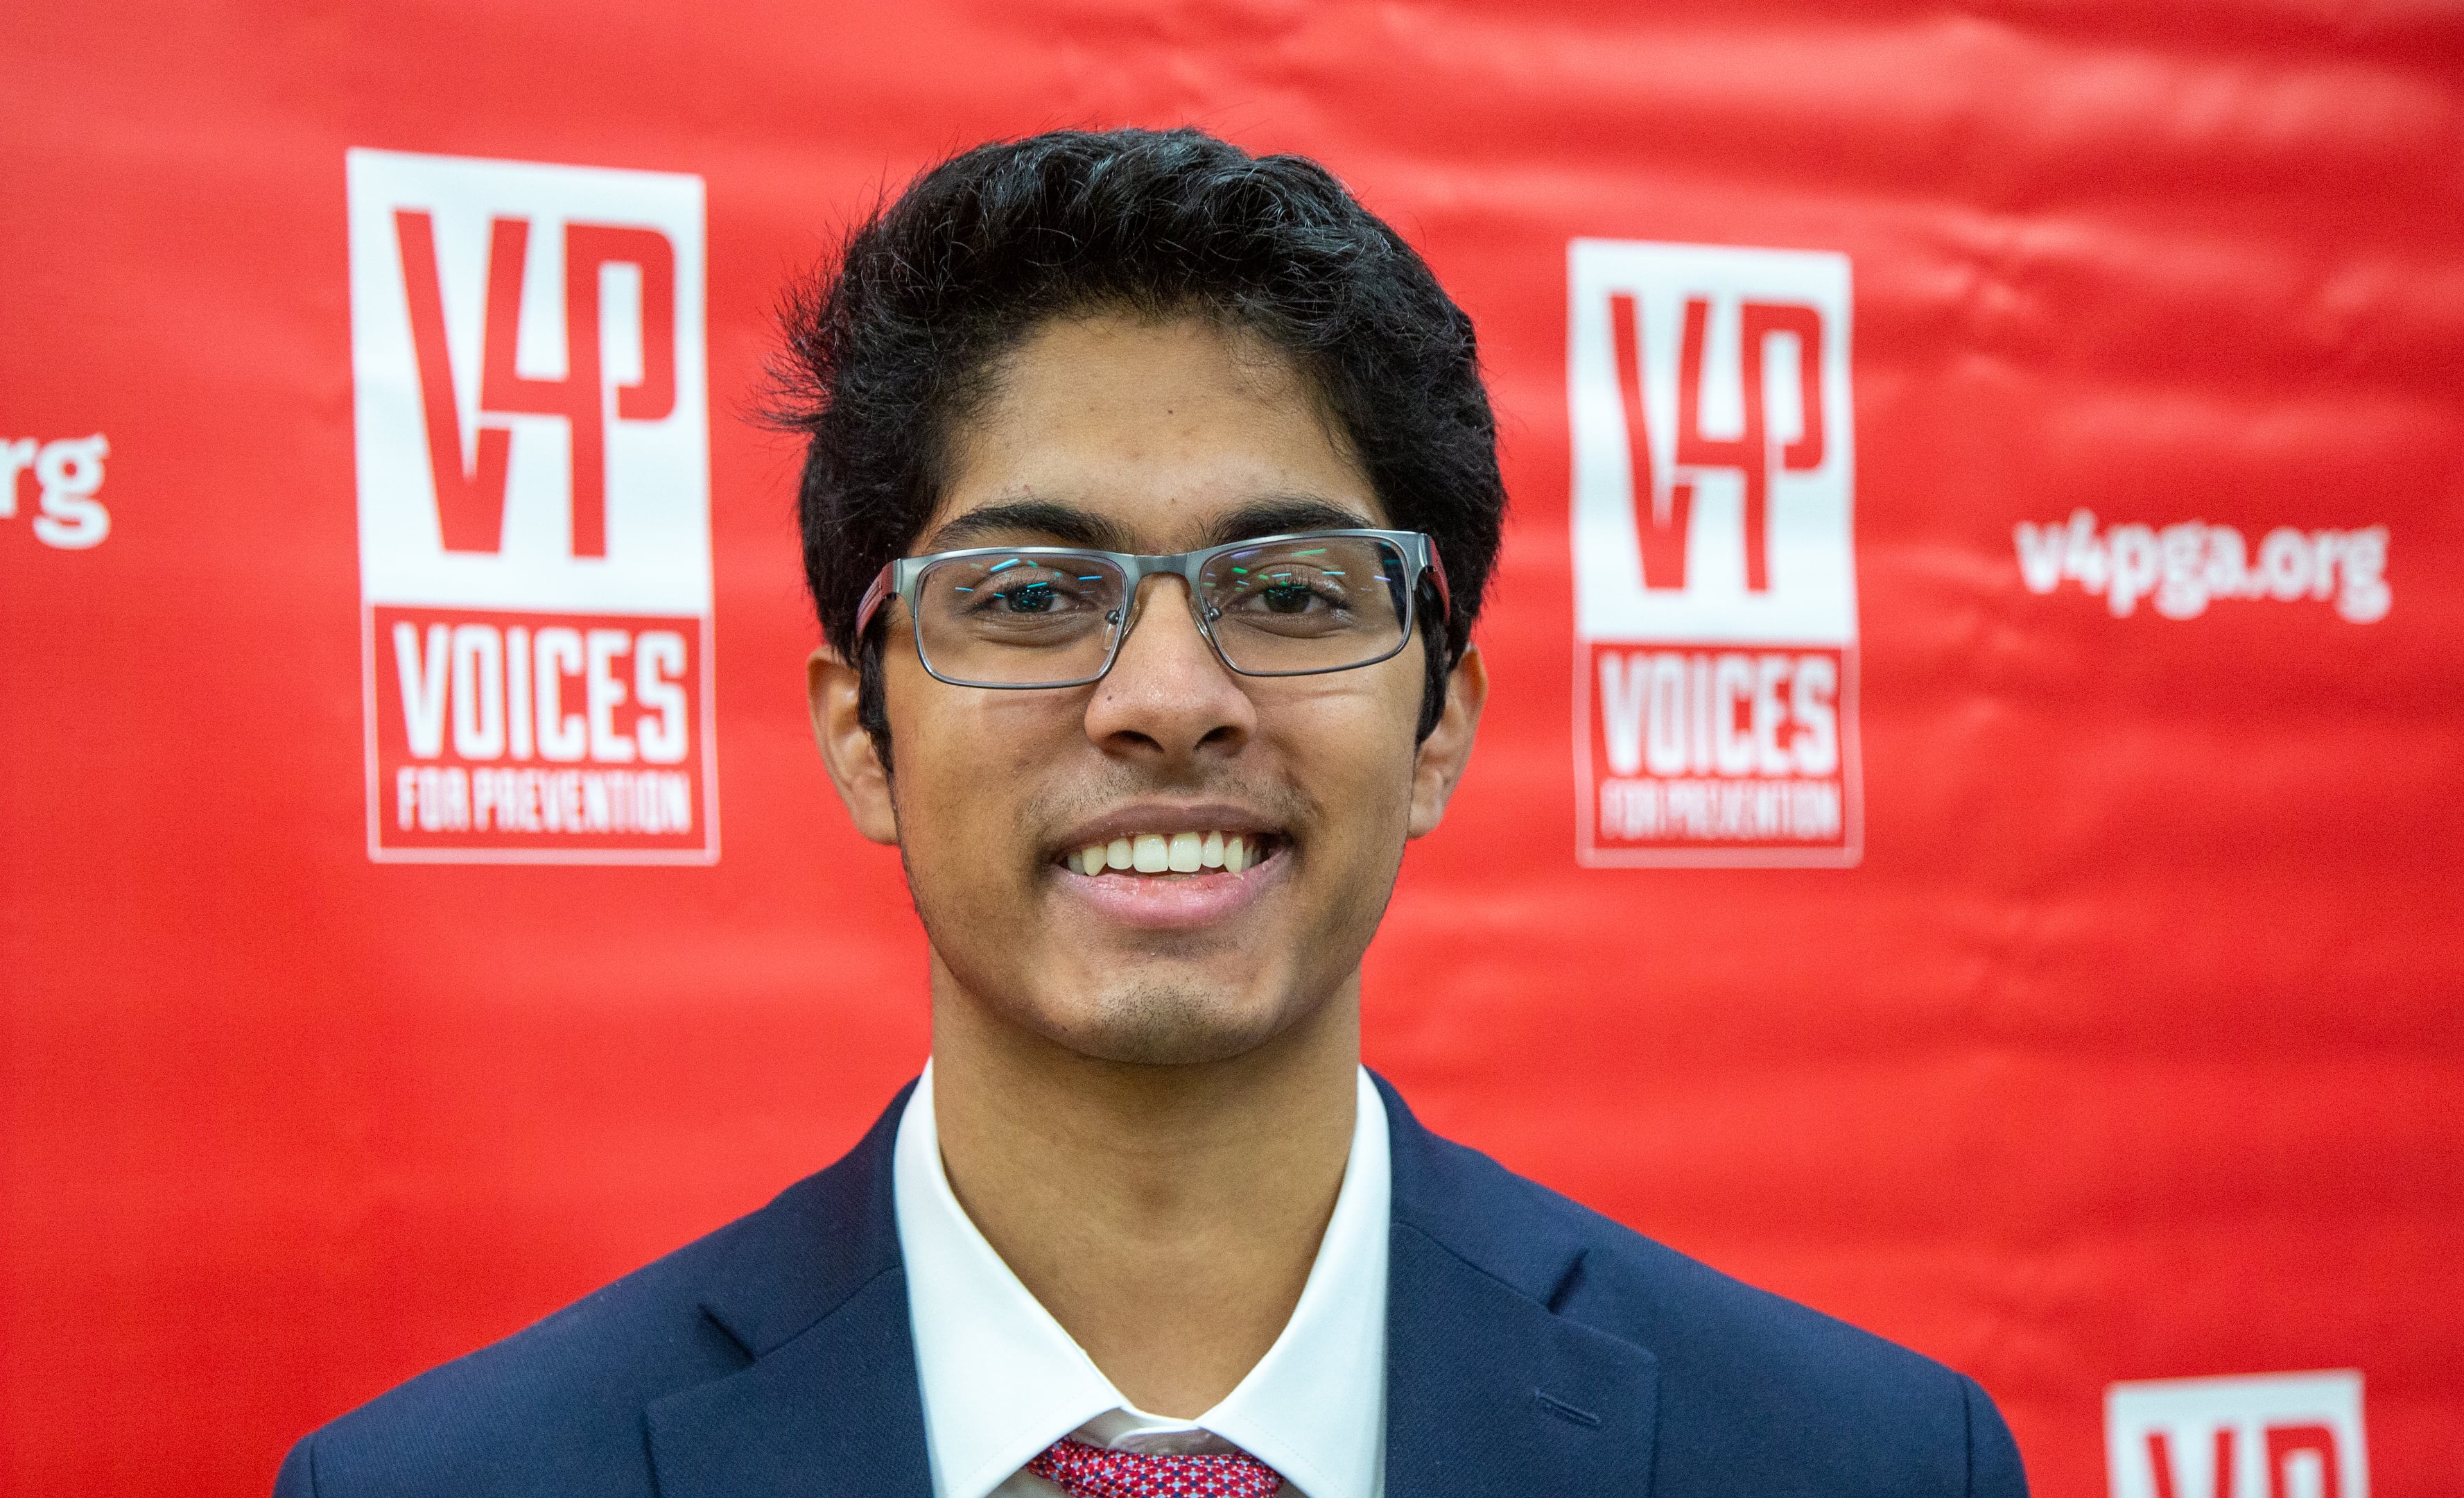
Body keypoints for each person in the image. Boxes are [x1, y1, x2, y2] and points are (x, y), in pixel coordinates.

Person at [277, 127, 2028, 1498]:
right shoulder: (460, 1479)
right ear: (863, 736)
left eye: (1293, 591)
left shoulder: (1857, 1461)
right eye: (1034, 597)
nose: (1169, 698)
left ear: (1439, 727)